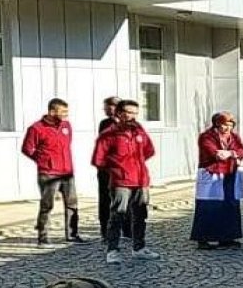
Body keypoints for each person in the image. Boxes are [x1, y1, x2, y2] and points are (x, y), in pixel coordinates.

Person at [93, 99, 160, 264]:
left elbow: (149, 150)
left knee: (140, 215)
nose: (132, 116)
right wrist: (118, 168)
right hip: (121, 181)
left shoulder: (139, 131)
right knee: (117, 215)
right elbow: (99, 160)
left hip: (140, 179)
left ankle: (139, 247)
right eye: (128, 112)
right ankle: (113, 250)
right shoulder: (109, 134)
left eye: (135, 113)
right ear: (119, 113)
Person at [22, 98, 83, 247]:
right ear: (51, 111)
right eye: (62, 112)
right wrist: (44, 160)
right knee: (47, 205)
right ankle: (43, 237)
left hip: (67, 172)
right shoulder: (36, 128)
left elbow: (67, 144)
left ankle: (72, 234)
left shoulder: (66, 126)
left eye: (67, 112)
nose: (65, 115)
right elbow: (27, 149)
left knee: (72, 204)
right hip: (49, 173)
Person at [192, 112, 243, 249]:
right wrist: (228, 154)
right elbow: (214, 153)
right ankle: (204, 238)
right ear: (217, 124)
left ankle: (227, 237)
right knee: (209, 206)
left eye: (230, 125)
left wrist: (231, 153)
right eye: (224, 125)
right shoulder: (207, 136)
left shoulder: (234, 137)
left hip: (230, 174)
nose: (227, 128)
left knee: (229, 205)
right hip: (212, 174)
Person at [96, 96, 123, 240]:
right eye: (105, 107)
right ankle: (105, 230)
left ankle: (126, 229)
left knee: (124, 198)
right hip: (106, 169)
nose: (105, 110)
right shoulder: (104, 123)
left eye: (108, 107)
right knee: (105, 199)